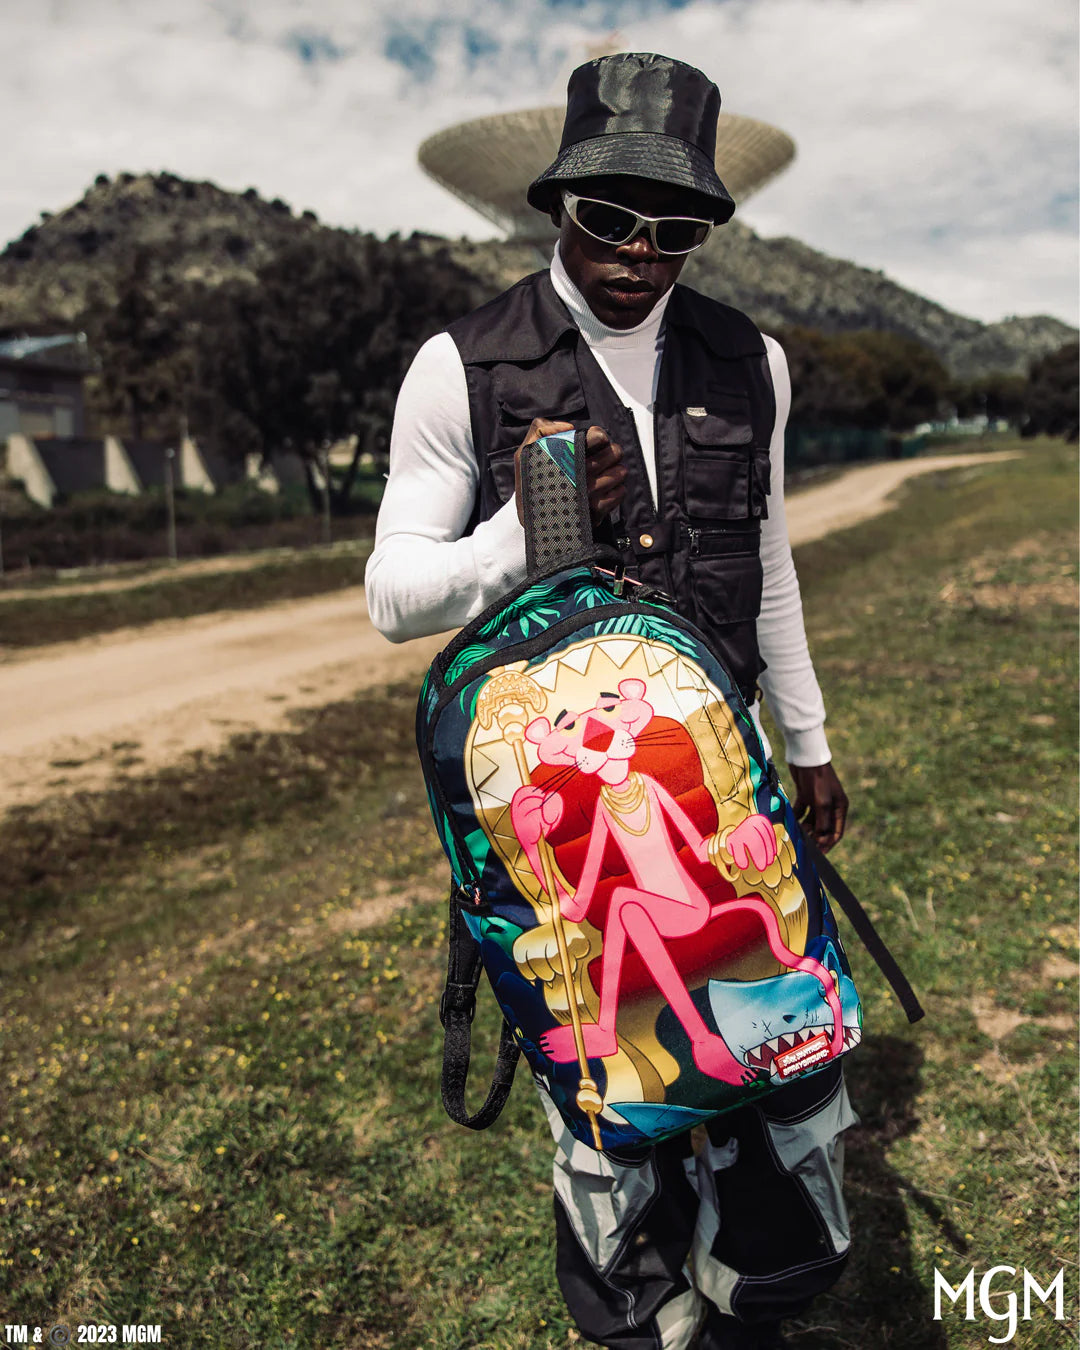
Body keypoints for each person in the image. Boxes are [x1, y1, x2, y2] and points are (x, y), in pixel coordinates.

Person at [366, 51, 858, 1350]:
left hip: (723, 781)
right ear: (556, 205)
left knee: (770, 1081)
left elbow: (772, 560)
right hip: (563, 817)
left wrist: (805, 740)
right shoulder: (458, 366)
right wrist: (506, 548)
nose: (642, 250)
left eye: (677, 224)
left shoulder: (753, 360)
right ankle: (637, 1312)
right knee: (614, 1107)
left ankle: (755, 1288)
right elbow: (390, 592)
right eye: (610, 217)